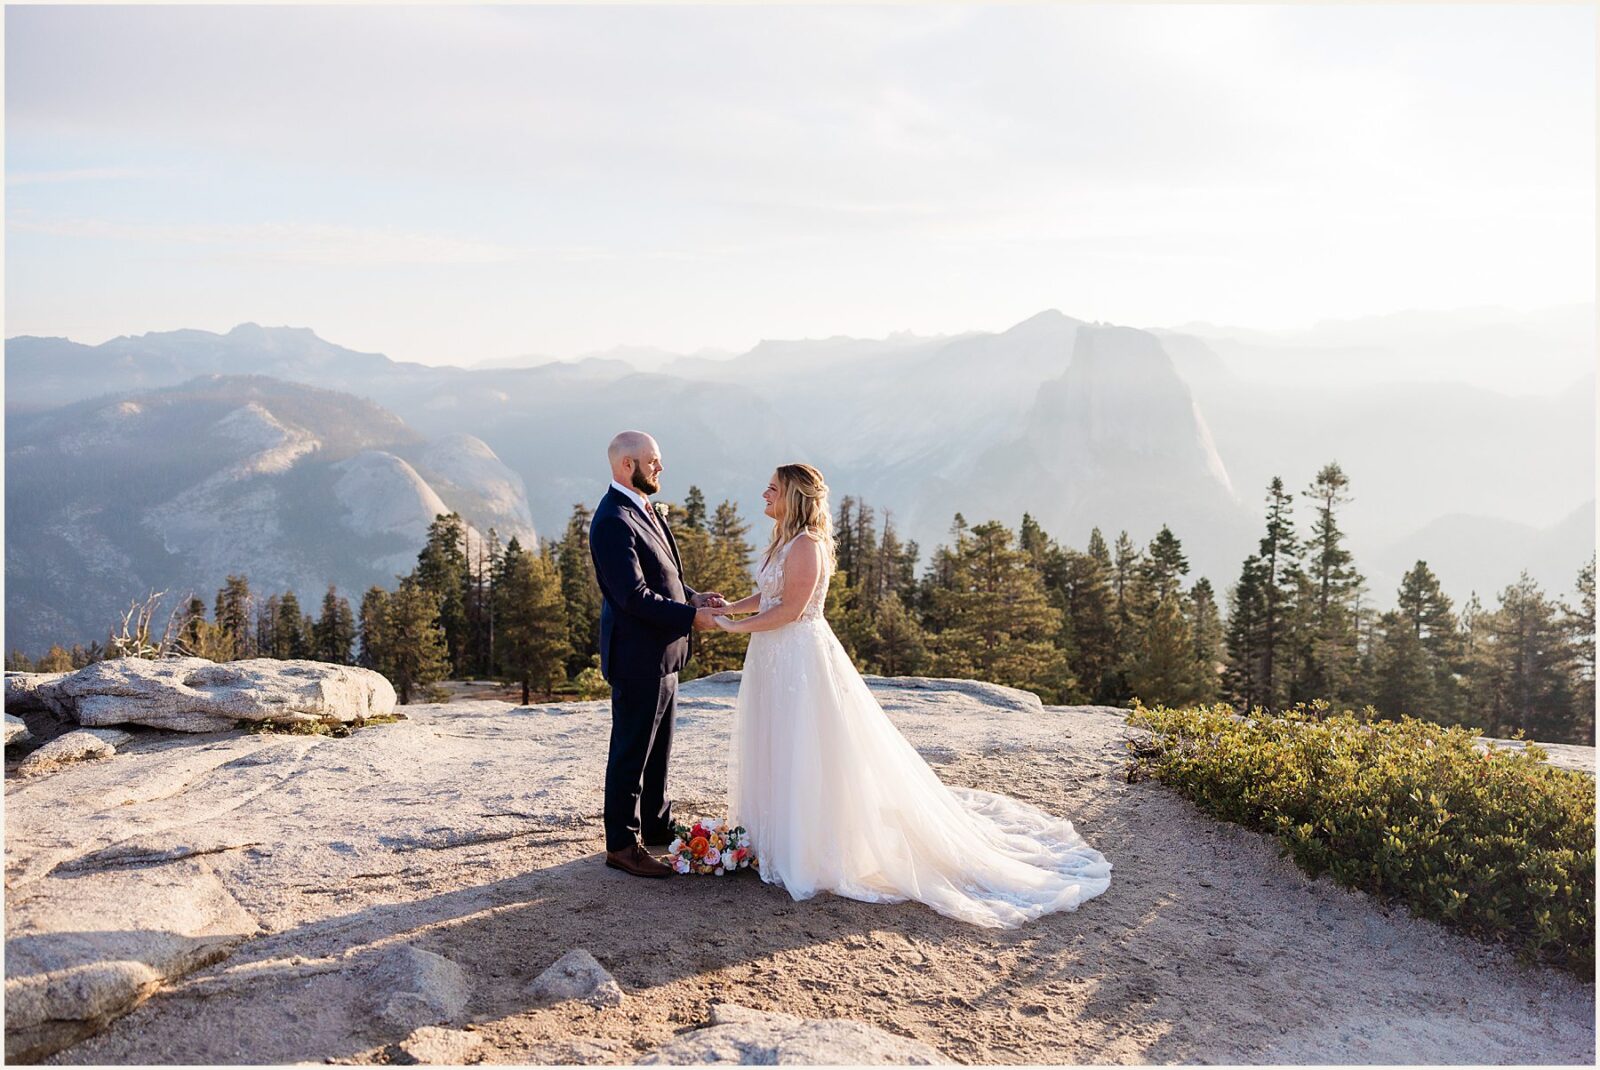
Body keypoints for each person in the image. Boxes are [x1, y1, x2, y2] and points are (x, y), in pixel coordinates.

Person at [713, 462, 1112, 927]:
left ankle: (807, 848)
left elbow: (792, 610)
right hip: (773, 658)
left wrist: (733, 628)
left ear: (794, 497)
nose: (765, 494)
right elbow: (768, 597)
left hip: (797, 659)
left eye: (773, 488)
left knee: (804, 746)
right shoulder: (787, 540)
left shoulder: (806, 545)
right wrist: (732, 608)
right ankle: (775, 839)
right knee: (776, 742)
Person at [588, 431, 726, 879]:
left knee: (659, 748)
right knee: (631, 752)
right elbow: (633, 596)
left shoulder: (642, 508)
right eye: (653, 461)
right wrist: (691, 618)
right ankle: (622, 845)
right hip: (636, 656)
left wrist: (694, 597)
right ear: (628, 465)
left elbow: (664, 577)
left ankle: (658, 825)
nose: (660, 468)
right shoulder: (613, 519)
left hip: (662, 656)